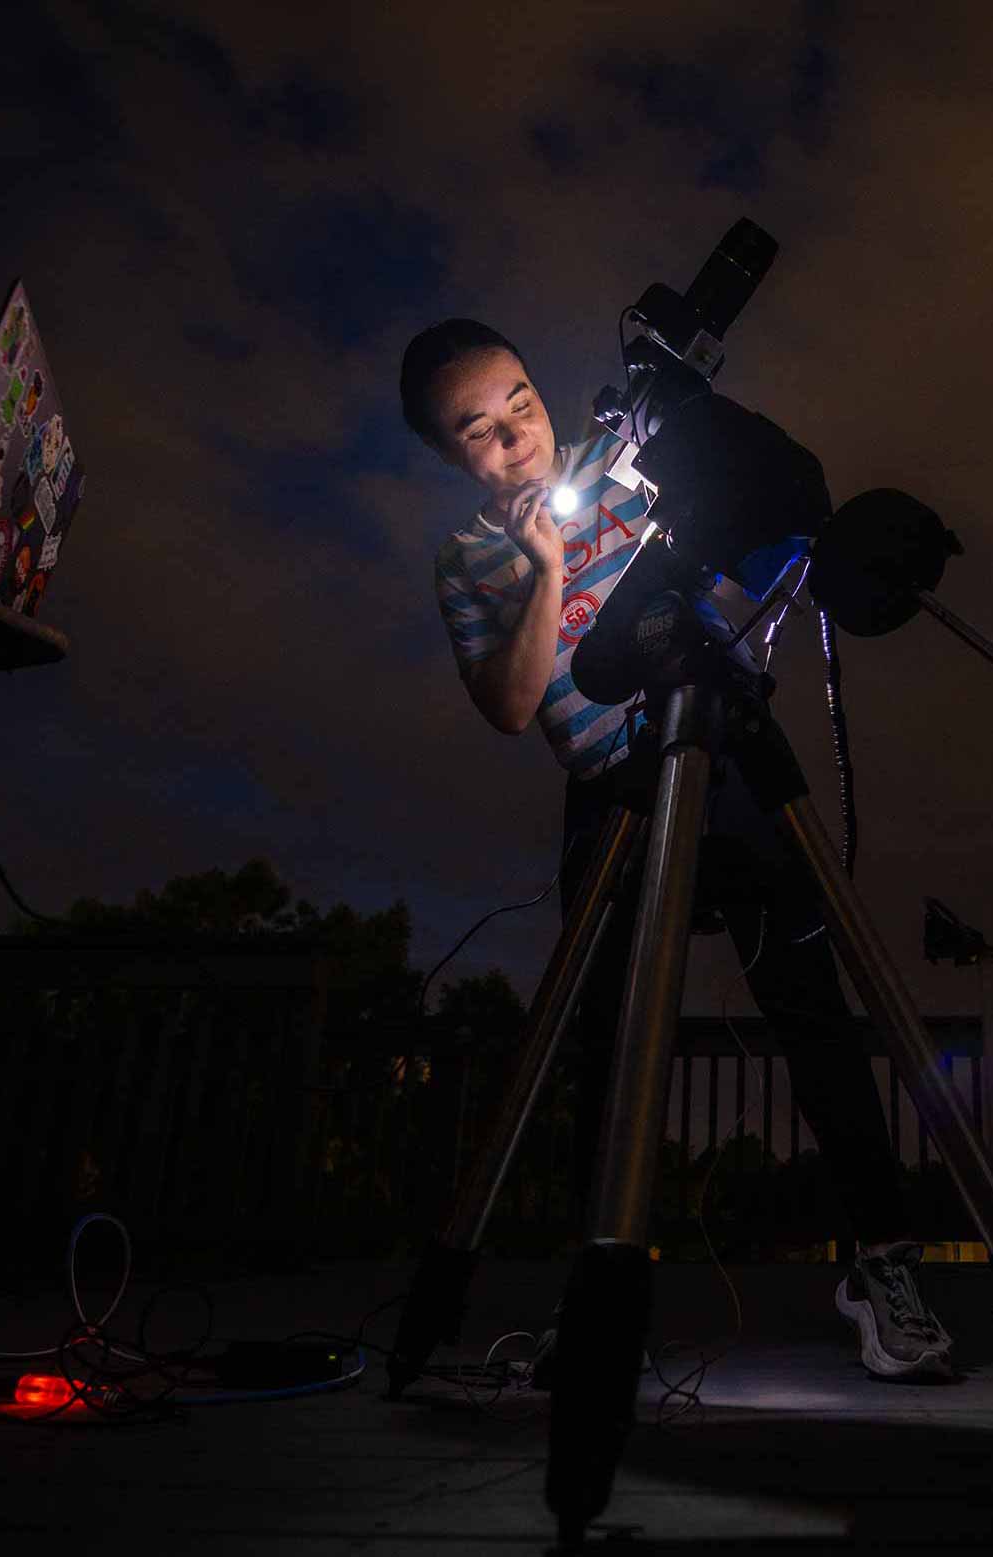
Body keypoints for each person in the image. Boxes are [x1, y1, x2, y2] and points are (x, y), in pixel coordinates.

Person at [404, 318, 956, 1381]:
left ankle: (883, 1266)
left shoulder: (621, 462)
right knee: (605, 1045)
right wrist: (548, 567)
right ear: (448, 455)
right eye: (478, 431)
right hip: (607, 784)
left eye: (519, 402)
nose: (515, 438)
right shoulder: (467, 559)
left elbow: (755, 549)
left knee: (812, 1010)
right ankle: (600, 1292)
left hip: (725, 748)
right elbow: (514, 705)